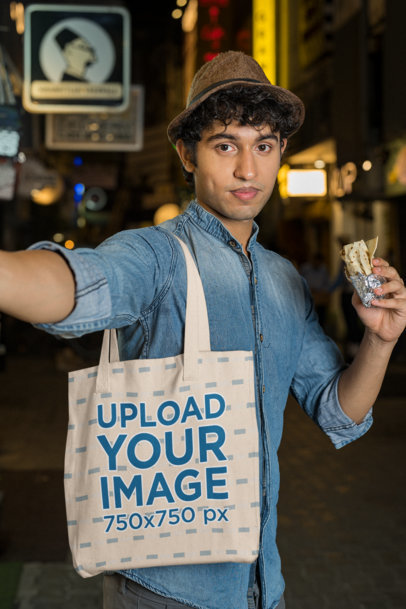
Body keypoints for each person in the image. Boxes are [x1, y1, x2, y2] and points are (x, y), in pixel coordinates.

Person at [0, 51, 405, 609]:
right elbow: (82, 281)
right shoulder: (157, 254)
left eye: (263, 146)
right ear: (186, 154)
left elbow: (340, 410)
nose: (247, 169)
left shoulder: (284, 278)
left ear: (281, 152)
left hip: (263, 586)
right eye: (225, 146)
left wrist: (380, 340)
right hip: (166, 589)